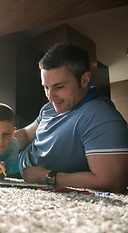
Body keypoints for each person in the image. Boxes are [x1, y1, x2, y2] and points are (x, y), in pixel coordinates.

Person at [15, 43, 128, 193]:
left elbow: (112, 182)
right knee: (4, 119)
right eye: (46, 87)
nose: (50, 96)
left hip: (20, 173)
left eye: (59, 87)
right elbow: (28, 133)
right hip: (10, 159)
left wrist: (46, 176)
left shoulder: (101, 117)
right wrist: (3, 144)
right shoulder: (51, 107)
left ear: (85, 79)